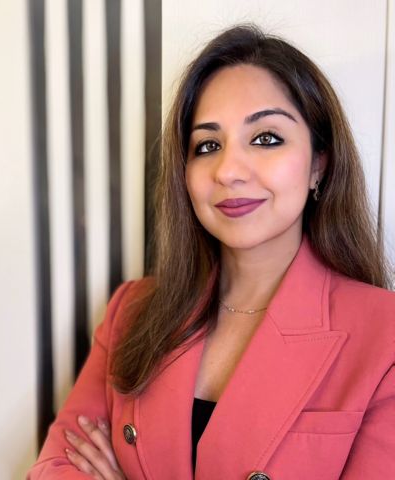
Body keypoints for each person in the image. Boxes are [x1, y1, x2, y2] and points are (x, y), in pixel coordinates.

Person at [27, 24, 394, 480]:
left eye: (266, 138)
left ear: (319, 163)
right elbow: (55, 467)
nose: (228, 171)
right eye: (208, 145)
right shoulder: (132, 311)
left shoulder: (383, 334)